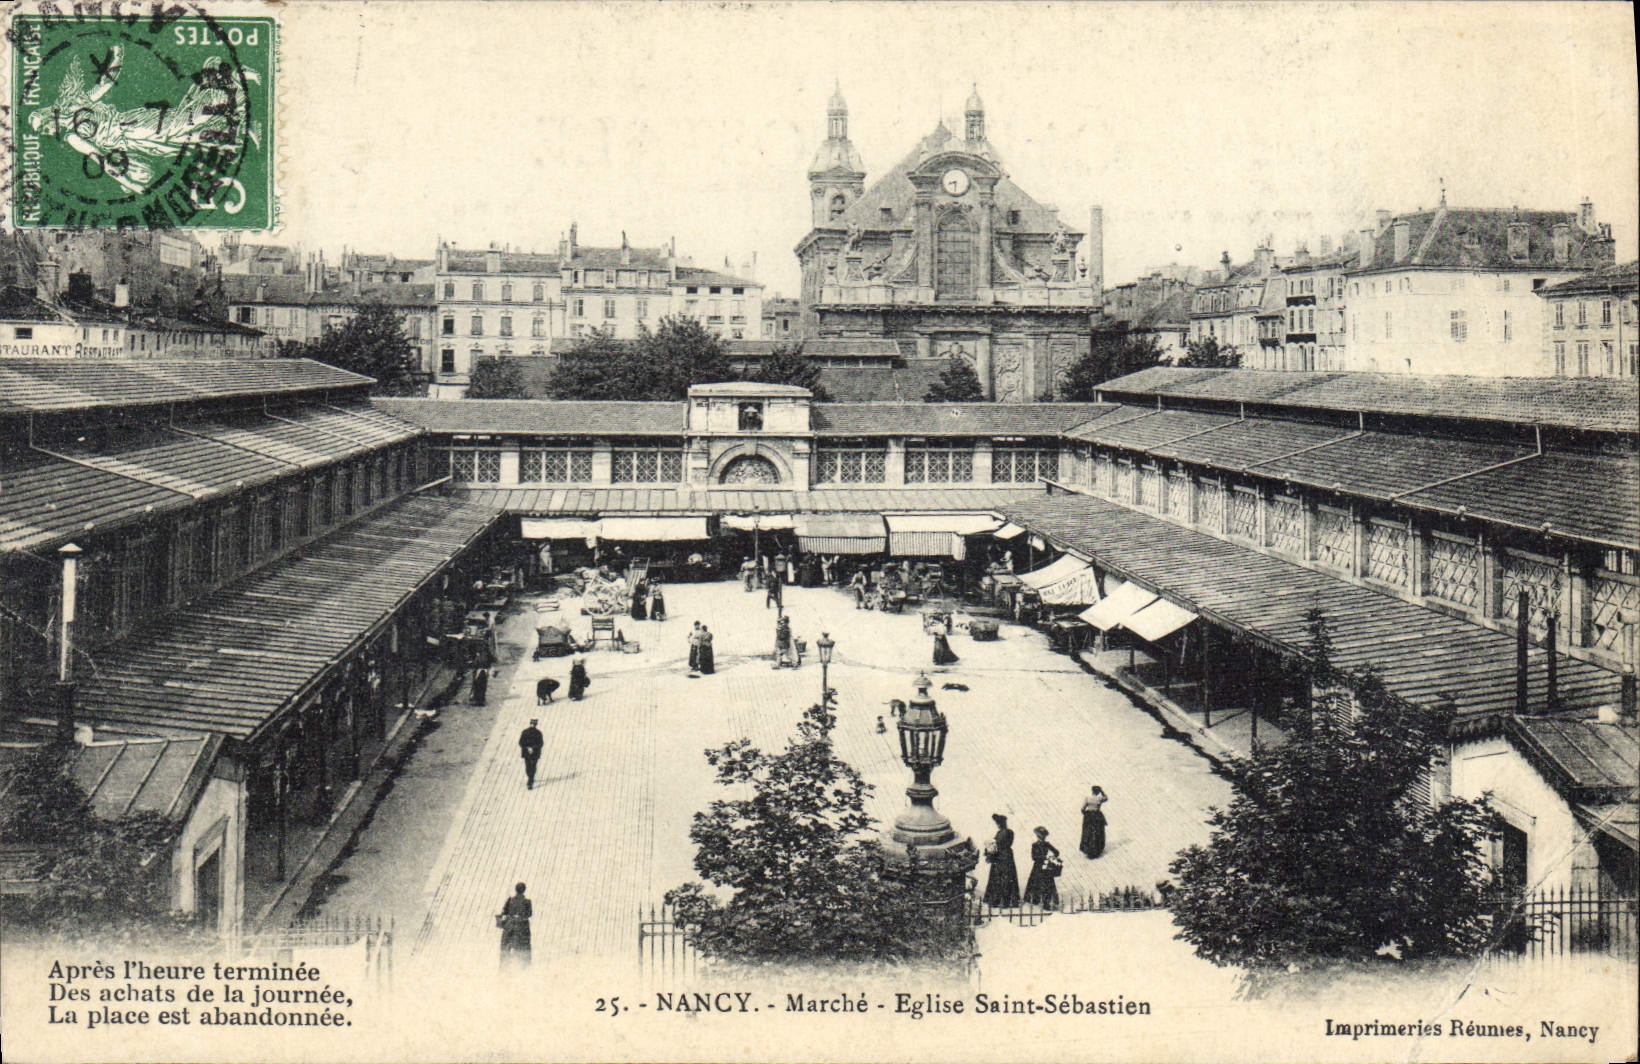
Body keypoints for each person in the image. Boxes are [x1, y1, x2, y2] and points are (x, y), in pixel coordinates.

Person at [982, 814, 1021, 907]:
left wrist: (992, 849)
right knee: (1003, 877)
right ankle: (1004, 901)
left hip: (1002, 857)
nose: (997, 825)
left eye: (998, 823)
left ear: (1001, 823)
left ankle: (1000, 901)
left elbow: (999, 844)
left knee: (1002, 878)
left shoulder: (1004, 833)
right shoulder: (1007, 832)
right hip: (1005, 856)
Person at [1024, 826, 1061, 908]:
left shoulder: (1047, 844)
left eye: (1043, 836)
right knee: (1036, 882)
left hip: (1045, 866)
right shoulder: (1034, 845)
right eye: (1040, 836)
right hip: (1037, 866)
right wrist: (1043, 857)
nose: (1042, 838)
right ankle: (1035, 900)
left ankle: (1046, 901)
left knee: (1047, 883)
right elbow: (1033, 857)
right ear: (1037, 836)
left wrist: (1050, 857)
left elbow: (1057, 852)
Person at [498, 883, 533, 966]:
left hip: (510, 927)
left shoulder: (510, 900)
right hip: (522, 928)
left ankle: (504, 966)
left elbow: (504, 912)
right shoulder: (527, 902)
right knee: (524, 948)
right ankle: (524, 966)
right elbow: (529, 914)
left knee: (505, 948)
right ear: (524, 890)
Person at [1080, 785, 1109, 859]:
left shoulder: (1087, 798)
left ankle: (1087, 849)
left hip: (1088, 816)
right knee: (1097, 832)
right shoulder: (1099, 798)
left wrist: (1086, 815)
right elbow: (1106, 798)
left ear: (1092, 791)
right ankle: (1096, 850)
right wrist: (1102, 792)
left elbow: (1082, 809)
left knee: (1088, 832)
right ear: (1098, 792)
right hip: (1097, 816)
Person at [518, 720, 544, 789]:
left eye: (534, 724)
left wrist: (531, 748)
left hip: (532, 753)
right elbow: (521, 742)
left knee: (531, 766)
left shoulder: (537, 733)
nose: (533, 725)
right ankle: (530, 778)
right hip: (530, 753)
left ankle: (530, 781)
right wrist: (529, 748)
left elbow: (540, 743)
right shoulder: (527, 732)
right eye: (533, 724)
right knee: (530, 767)